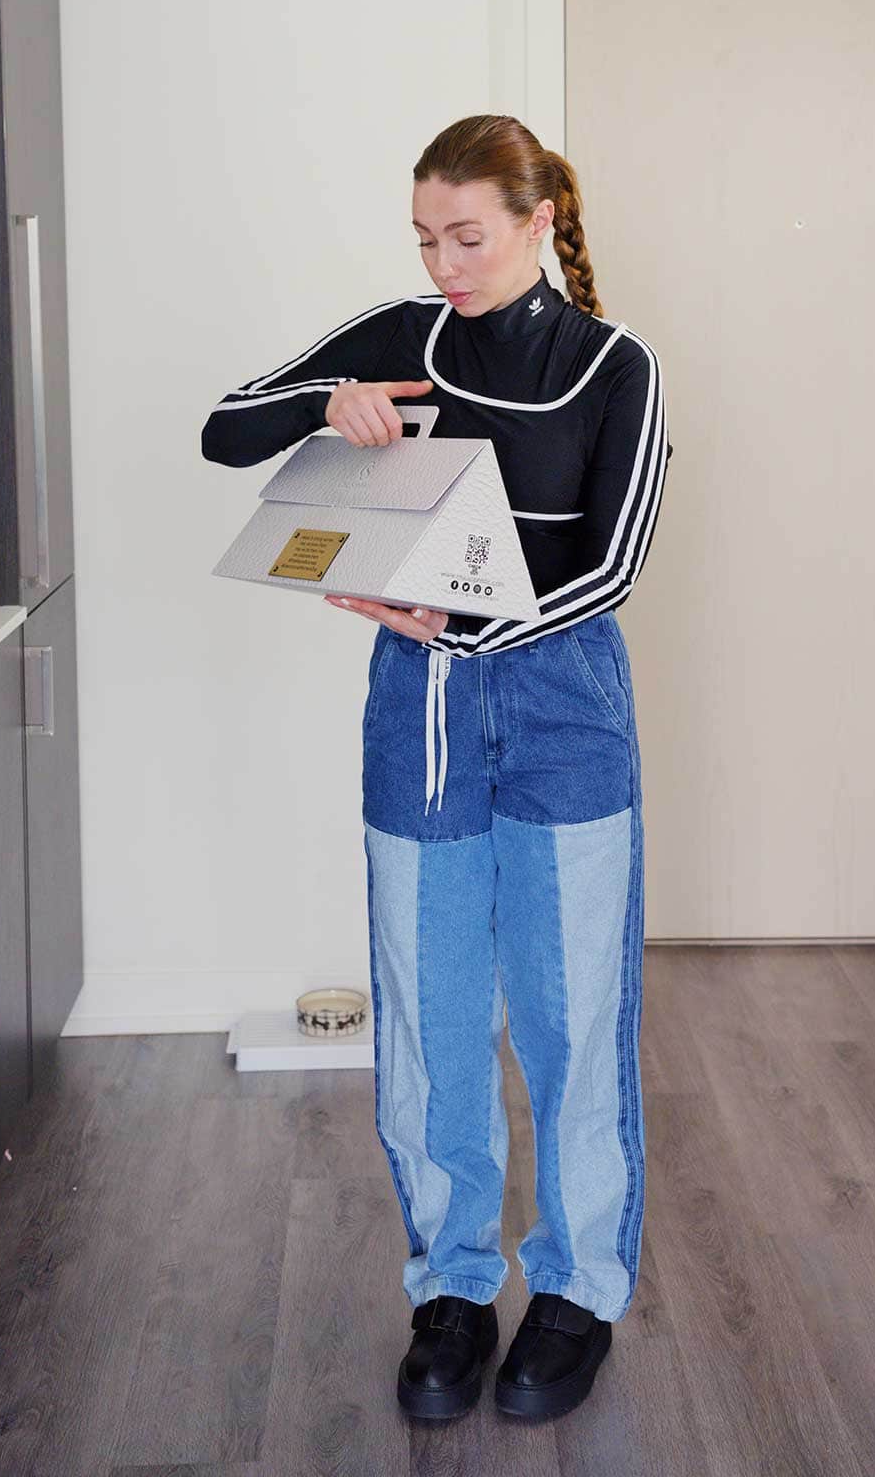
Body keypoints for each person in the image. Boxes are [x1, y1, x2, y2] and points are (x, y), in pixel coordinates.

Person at [201, 113, 673, 1426]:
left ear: (537, 222)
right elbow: (224, 431)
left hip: (566, 704)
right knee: (430, 1010)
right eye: (424, 239)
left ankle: (575, 1293)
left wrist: (468, 628)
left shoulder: (616, 367)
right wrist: (327, 403)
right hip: (417, 712)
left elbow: (615, 561)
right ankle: (453, 1291)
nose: (443, 265)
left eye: (467, 237)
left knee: (575, 1015)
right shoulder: (401, 337)